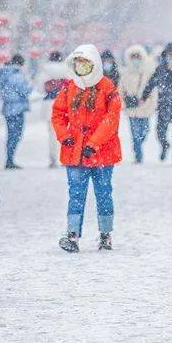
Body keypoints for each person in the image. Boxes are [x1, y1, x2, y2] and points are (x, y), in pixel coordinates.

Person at [52, 44, 122, 252]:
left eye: (85, 63)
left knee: (103, 193)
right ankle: (72, 235)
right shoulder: (69, 87)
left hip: (102, 153)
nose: (81, 67)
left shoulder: (107, 88)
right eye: (78, 63)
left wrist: (93, 143)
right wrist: (64, 136)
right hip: (75, 152)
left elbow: (111, 119)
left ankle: (105, 234)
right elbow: (58, 113)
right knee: (76, 194)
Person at [120, 44, 158, 163]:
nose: (135, 60)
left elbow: (153, 92)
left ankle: (138, 148)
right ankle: (138, 155)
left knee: (145, 131)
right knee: (135, 134)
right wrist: (123, 104)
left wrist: (148, 105)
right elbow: (120, 91)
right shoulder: (125, 74)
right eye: (133, 57)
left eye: (138, 57)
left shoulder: (148, 73)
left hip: (145, 109)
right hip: (131, 110)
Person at [35, 51, 71, 168]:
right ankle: (64, 157)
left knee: (52, 134)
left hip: (49, 104)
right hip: (64, 104)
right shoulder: (67, 70)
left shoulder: (44, 72)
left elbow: (40, 90)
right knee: (64, 132)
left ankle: (53, 158)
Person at [0, 54, 32, 169]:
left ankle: (9, 159)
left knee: (11, 134)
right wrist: (30, 84)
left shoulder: (4, 73)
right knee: (16, 135)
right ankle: (10, 160)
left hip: (8, 108)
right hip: (17, 109)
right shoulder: (16, 74)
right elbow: (25, 90)